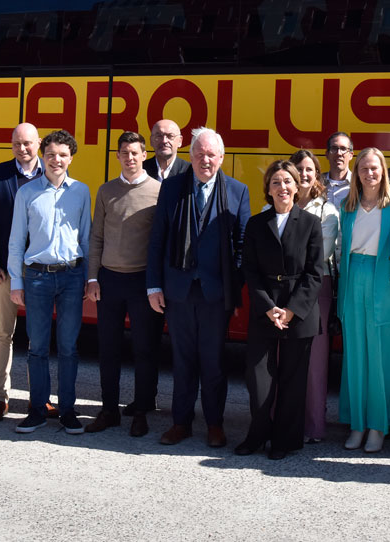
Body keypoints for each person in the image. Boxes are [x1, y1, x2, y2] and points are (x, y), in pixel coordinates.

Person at [146, 127, 250, 448]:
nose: (205, 159)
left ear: (221, 158)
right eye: (200, 153)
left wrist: (231, 285)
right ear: (190, 156)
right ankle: (181, 422)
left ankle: (215, 424)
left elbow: (242, 244)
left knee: (214, 362)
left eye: (211, 154)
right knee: (182, 360)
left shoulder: (237, 191)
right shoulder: (172, 188)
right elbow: (157, 240)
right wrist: (153, 286)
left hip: (215, 295)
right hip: (178, 290)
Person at [236, 160, 325, 460]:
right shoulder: (256, 224)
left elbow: (315, 273)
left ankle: (285, 441)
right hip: (265, 309)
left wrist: (290, 311)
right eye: (276, 182)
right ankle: (258, 434)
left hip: (299, 312)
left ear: (298, 186)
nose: (283, 187)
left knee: (292, 380)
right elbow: (249, 269)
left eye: (288, 181)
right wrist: (269, 308)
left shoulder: (311, 223)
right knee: (259, 378)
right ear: (268, 189)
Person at [7, 130, 92, 435]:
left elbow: (86, 238)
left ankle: (67, 410)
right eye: (51, 154)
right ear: (43, 156)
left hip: (71, 277)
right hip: (37, 277)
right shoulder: (27, 193)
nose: (57, 160)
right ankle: (37, 410)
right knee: (37, 347)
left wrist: (86, 278)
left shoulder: (81, 192)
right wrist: (17, 282)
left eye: (63, 155)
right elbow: (16, 241)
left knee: (68, 347)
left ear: (71, 158)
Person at [84, 131, 164, 437]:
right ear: (117, 156)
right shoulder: (106, 191)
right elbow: (97, 237)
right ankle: (108, 410)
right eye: (124, 153)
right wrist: (93, 277)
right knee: (108, 349)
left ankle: (141, 410)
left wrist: (157, 284)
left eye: (135, 152)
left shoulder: (159, 191)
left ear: (145, 155)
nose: (129, 158)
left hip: (143, 281)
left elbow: (160, 243)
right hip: (109, 281)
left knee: (144, 349)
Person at [0, 122, 58, 423]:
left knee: (39, 337)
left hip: (41, 271)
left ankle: (41, 399)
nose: (22, 149)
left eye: (27, 143)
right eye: (16, 144)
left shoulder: (51, 173)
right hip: (5, 270)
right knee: (2, 333)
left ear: (38, 143)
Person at [336, 147, 390, 454]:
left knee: (383, 359)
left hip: (387, 283)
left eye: (375, 168)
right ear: (357, 172)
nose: (369, 173)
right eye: (364, 168)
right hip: (353, 278)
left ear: (384, 171)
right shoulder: (347, 206)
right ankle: (357, 424)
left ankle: (379, 425)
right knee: (355, 356)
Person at [289, 149, 340, 444]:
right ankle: (284, 419)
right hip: (284, 290)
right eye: (299, 169)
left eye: (310, 169)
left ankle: (313, 427)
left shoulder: (327, 211)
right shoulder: (281, 203)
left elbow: (319, 255)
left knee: (314, 363)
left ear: (317, 174)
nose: (304, 174)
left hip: (315, 288)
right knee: (287, 360)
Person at [322, 131, 354, 209]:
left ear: (350, 155)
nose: (339, 153)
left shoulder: (359, 184)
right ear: (327, 154)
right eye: (334, 148)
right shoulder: (316, 183)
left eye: (343, 149)